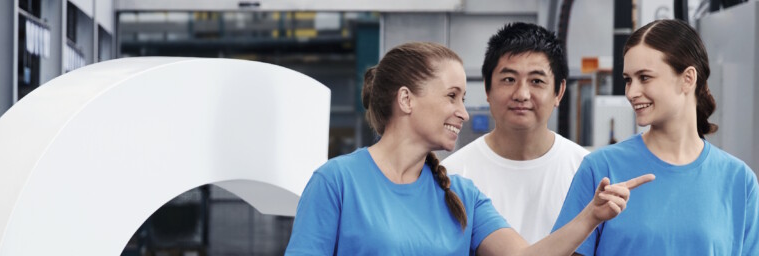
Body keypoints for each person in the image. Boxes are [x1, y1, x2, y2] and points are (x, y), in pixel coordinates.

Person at [285, 42, 654, 255]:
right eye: (452, 96)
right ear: (406, 99)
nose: (463, 112)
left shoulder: (462, 194)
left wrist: (590, 216)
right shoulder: (336, 183)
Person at [552, 19, 758, 255]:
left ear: (688, 79)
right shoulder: (600, 169)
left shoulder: (739, 180)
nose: (631, 92)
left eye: (645, 77)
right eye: (628, 80)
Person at [442, 22, 589, 244]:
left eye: (536, 81)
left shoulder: (586, 170)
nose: (521, 94)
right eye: (509, 79)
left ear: (559, 92)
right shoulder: (453, 175)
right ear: (487, 89)